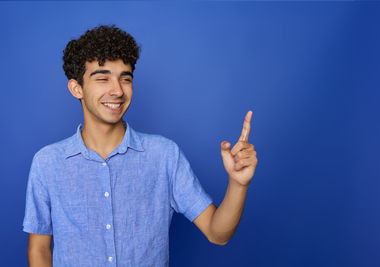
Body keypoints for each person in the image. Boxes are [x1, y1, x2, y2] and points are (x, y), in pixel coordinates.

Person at [22, 25, 258, 267]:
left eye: (125, 78)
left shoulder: (164, 155)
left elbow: (217, 233)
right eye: (103, 78)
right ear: (76, 88)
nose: (117, 90)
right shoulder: (47, 163)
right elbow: (39, 250)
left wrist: (238, 184)